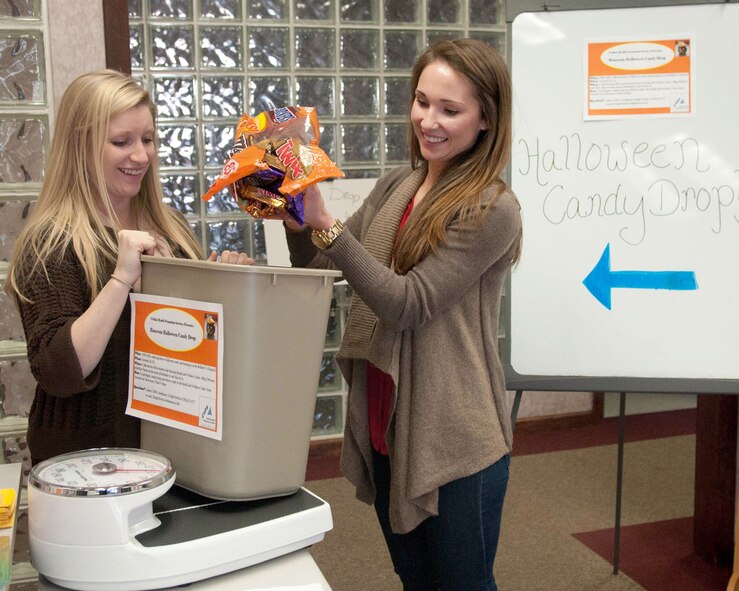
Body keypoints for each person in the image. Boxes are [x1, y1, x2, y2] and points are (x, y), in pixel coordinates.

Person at [277, 38, 522, 590]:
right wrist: (296, 218)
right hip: (390, 423)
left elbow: (409, 303)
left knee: (462, 583)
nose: (428, 121)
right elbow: (324, 261)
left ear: (487, 120)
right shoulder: (399, 184)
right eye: (421, 101)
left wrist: (331, 227)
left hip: (455, 436)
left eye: (450, 110)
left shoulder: (493, 209)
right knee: (415, 579)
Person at [5, 69, 253, 465]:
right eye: (122, 142)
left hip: (178, 448)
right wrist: (121, 279)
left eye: (148, 139)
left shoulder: (172, 227)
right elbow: (58, 370)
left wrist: (229, 289)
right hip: (89, 464)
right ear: (80, 146)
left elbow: (194, 347)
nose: (141, 156)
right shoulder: (51, 243)